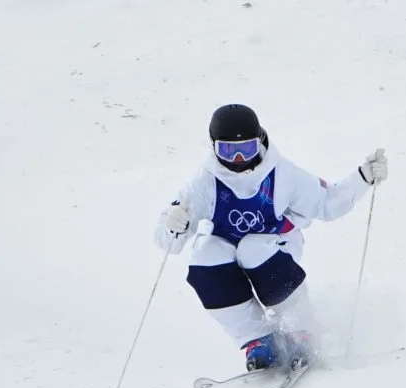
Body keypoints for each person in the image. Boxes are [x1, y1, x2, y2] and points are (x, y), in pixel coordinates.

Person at [153, 104, 388, 371]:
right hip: (228, 248)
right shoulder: (204, 183)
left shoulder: (282, 174)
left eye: (248, 148)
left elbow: (327, 203)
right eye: (228, 150)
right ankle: (259, 340)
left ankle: (300, 329)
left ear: (261, 141)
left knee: (253, 249)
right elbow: (169, 241)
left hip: (275, 248)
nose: (239, 158)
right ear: (213, 147)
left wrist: (363, 178)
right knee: (204, 256)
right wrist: (174, 226)